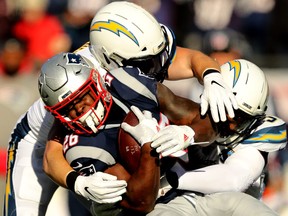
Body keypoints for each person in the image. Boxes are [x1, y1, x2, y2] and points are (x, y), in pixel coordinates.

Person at [3, 2, 237, 216]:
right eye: (145, 64)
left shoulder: (127, 59)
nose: (154, 69)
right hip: (42, 143)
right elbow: (51, 154)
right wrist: (77, 182)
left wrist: (211, 77)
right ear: (109, 61)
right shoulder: (78, 87)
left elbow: (191, 59)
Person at [41, 52, 279, 216]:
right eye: (68, 108)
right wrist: (148, 150)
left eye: (83, 98)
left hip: (190, 193)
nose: (80, 110)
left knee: (247, 208)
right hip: (152, 209)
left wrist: (187, 132)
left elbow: (197, 117)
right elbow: (141, 202)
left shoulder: (127, 83)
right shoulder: (82, 149)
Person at [144, 59, 287, 215]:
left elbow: (235, 179)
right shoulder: (194, 114)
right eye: (225, 108)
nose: (231, 123)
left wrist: (173, 178)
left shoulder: (259, 133)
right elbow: (159, 95)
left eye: (239, 117)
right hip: (183, 203)